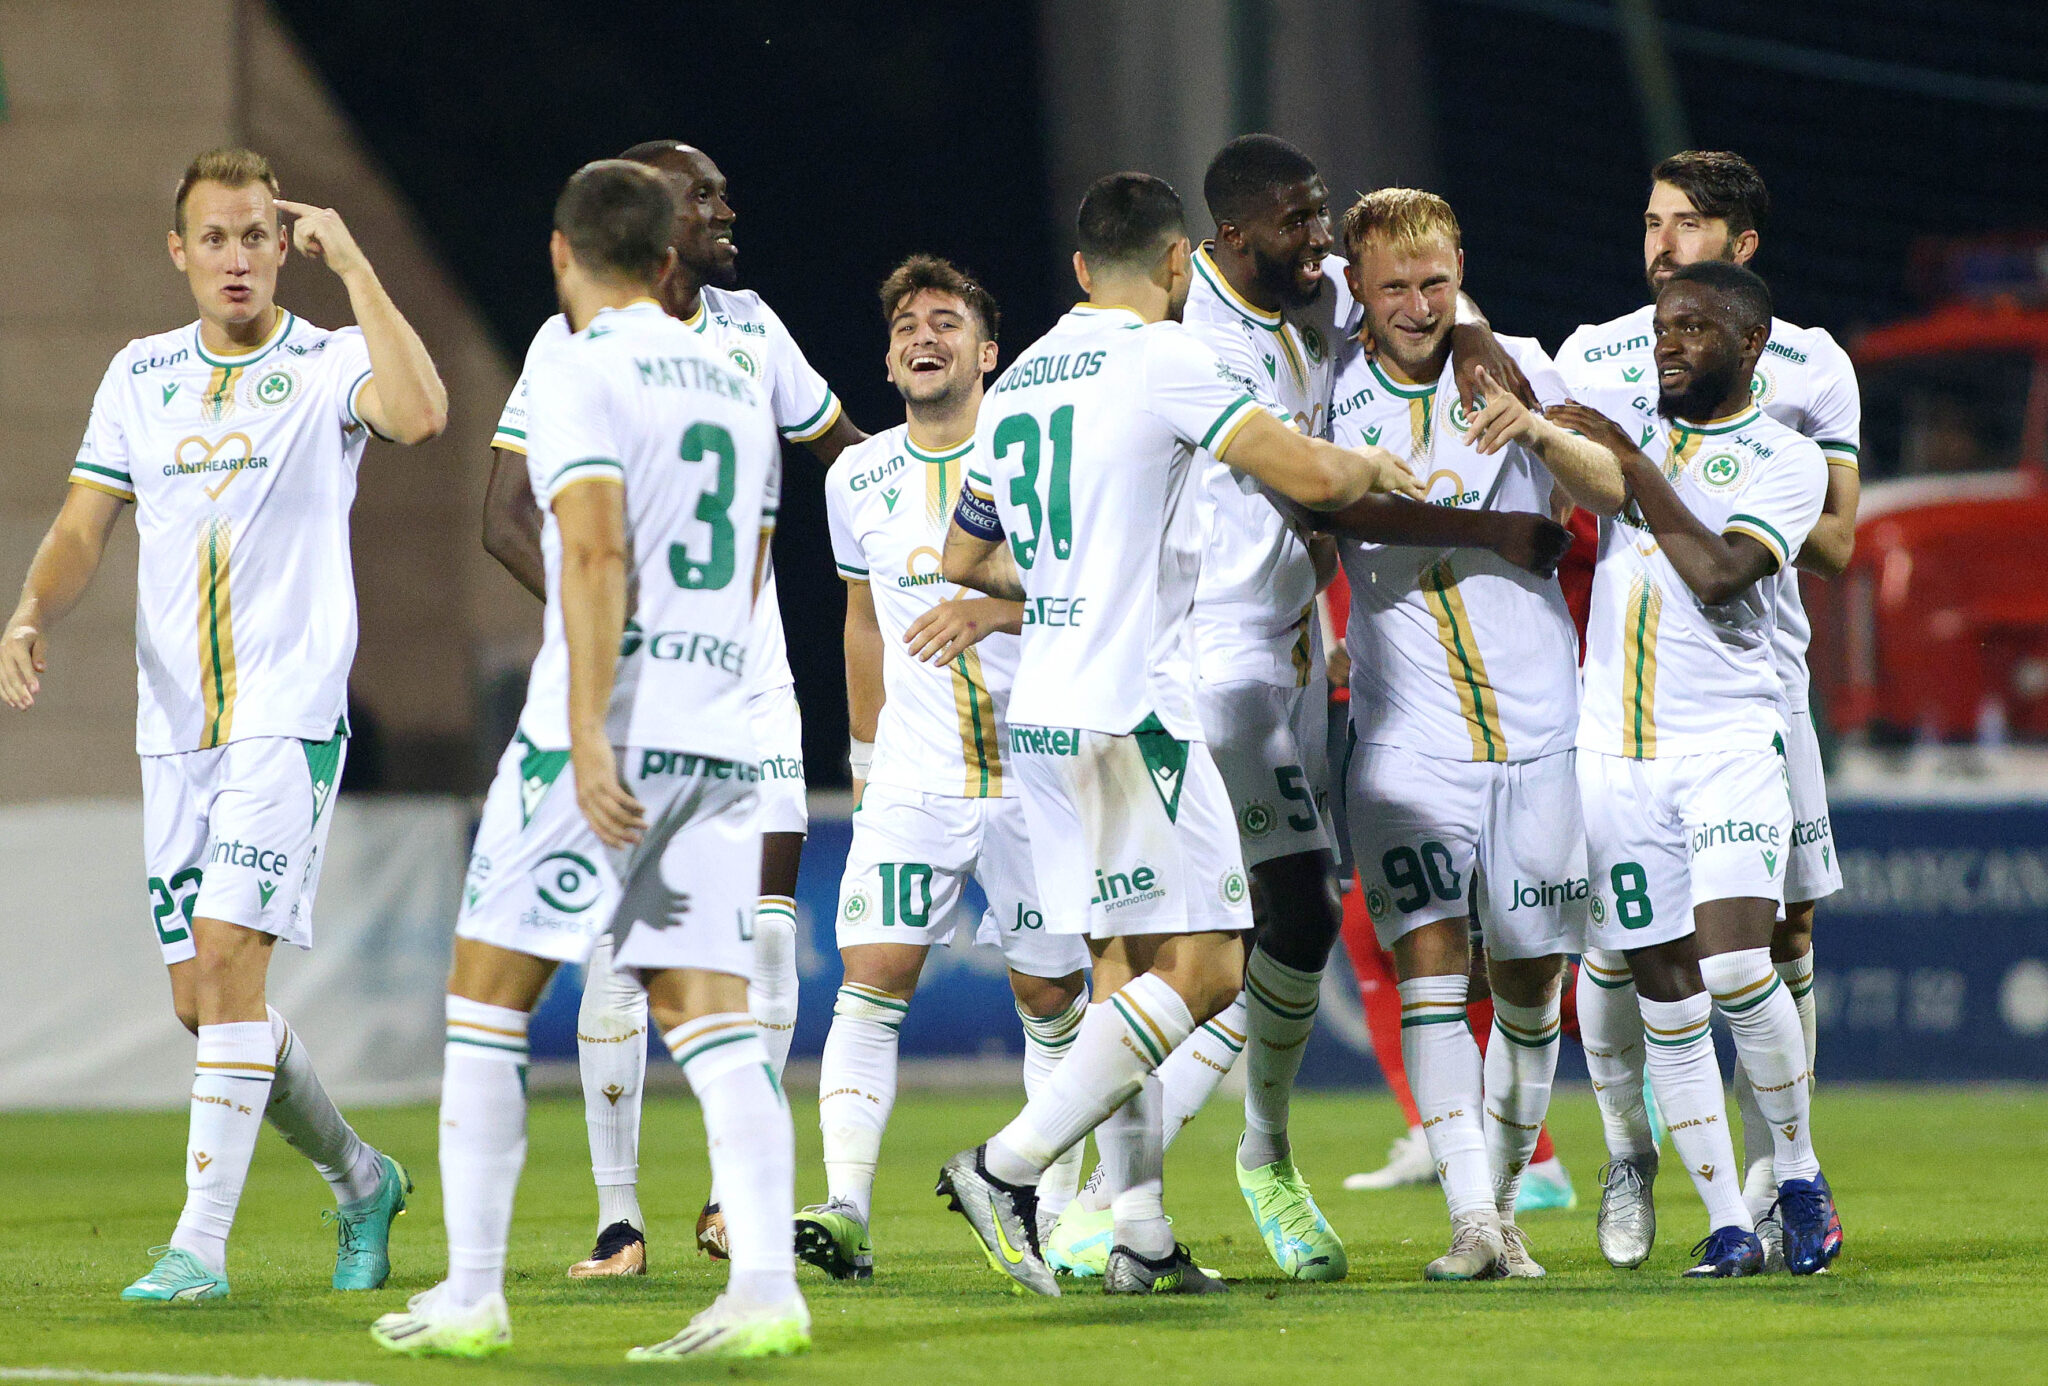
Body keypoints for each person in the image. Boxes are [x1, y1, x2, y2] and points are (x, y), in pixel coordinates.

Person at [935, 171, 1420, 1297]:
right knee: (1207, 966)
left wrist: (1072, 582)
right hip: (1137, 711)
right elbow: (1307, 472)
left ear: (1077, 268)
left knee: (1124, 974)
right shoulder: (1165, 355)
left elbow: (965, 558)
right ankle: (1006, 1168)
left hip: (1045, 709)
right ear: (1172, 263)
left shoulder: (1018, 382)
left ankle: (1139, 1233)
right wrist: (1367, 465)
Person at [370, 160, 805, 1360]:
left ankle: (472, 1292)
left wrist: (588, 727)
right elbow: (754, 558)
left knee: (485, 999)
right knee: (713, 1017)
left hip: (606, 729)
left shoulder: (574, 363)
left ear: (563, 254)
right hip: (718, 727)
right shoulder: (735, 373)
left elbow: (596, 553)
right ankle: (765, 1290)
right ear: (665, 259)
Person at [0, 148, 444, 1302]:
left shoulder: (327, 361)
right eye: (215, 238)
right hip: (173, 729)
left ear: (283, 246)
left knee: (232, 960)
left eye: (256, 235)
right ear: (179, 253)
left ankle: (198, 1248)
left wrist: (356, 269)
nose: (236, 258)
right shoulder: (138, 373)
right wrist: (32, 609)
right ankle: (362, 1180)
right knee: (204, 1003)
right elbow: (84, 522)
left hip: (285, 717)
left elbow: (421, 414)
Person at [482, 139, 865, 1275]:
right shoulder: (573, 342)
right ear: (654, 219)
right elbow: (505, 518)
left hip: (752, 685)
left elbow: (846, 462)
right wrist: (609, 629)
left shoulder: (752, 327)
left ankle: (725, 1202)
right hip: (642, 691)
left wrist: (944, 492)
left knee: (767, 937)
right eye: (705, 196)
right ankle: (620, 1221)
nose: (727, 210)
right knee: (622, 944)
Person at [1558, 151, 1856, 1269]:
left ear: (1746, 339)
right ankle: (1711, 1212)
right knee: (1649, 979)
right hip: (1613, 747)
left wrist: (1635, 467)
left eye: (1689, 329)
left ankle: (1792, 1175)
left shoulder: (1788, 437)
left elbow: (1742, 569)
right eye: (1660, 331)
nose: (1666, 341)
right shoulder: (1608, 384)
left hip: (1737, 732)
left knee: (1750, 959)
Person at [1319, 188, 1620, 1279]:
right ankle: (1471, 1220)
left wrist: (1538, 426)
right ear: (1356, 289)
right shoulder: (1324, 389)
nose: (1417, 305)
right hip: (1407, 740)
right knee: (1431, 971)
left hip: (1541, 735)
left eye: (1436, 282)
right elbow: (1318, 511)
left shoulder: (1522, 365)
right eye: (1393, 286)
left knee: (1533, 985)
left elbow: (1611, 490)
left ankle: (1502, 1199)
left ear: (1462, 275)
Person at [795, 255, 1090, 1281]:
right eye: (906, 327)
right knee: (870, 982)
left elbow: (1088, 592)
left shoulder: (1031, 455)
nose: (924, 337)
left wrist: (997, 611)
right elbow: (861, 621)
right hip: (913, 780)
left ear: (987, 352)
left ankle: (1054, 1216)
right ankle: (844, 1208)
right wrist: (862, 757)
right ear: (887, 362)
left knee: (1050, 1000)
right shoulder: (854, 477)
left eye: (946, 322)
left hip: (1037, 775)